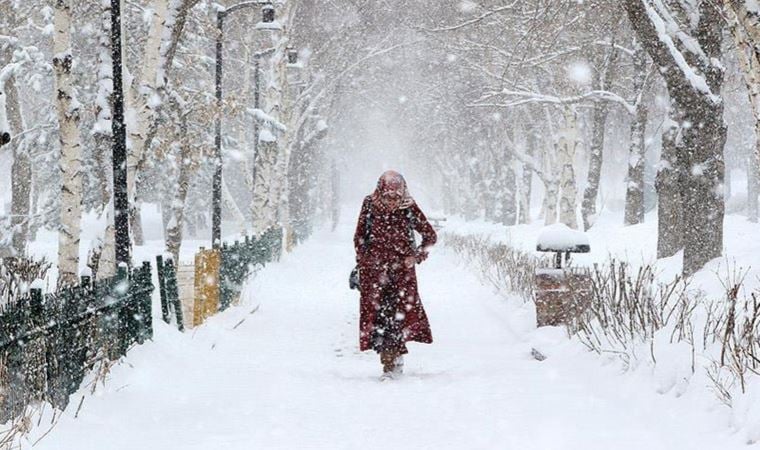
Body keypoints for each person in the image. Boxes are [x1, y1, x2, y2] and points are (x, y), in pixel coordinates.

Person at [353, 170, 437, 380]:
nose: (392, 201)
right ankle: (388, 360)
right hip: (374, 275)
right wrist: (365, 260)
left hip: (402, 276)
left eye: (396, 196)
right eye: (389, 196)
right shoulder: (370, 204)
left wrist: (416, 257)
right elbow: (359, 236)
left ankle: (392, 362)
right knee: (379, 318)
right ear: (381, 190)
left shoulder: (408, 207)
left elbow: (430, 236)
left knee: (397, 317)